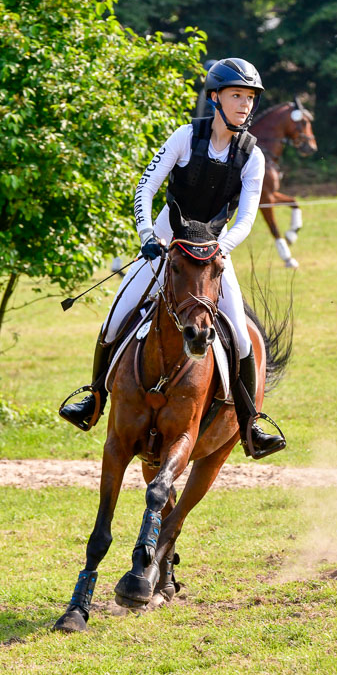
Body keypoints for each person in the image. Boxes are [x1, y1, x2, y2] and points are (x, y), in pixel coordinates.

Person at [59, 58, 286, 459]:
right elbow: (144, 189)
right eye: (237, 95)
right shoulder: (185, 136)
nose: (245, 104)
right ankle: (94, 398)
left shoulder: (253, 156)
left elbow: (247, 218)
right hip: (166, 239)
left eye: (250, 98)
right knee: (117, 314)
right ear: (215, 98)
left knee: (239, 333)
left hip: (214, 250)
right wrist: (148, 234)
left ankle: (251, 424)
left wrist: (220, 250)